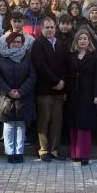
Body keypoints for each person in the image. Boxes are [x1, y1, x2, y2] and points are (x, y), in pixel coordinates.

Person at [0, 32, 36, 163]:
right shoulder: (1, 57)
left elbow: (32, 75)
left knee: (20, 125)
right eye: (14, 42)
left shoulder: (28, 56)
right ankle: (10, 152)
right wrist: (9, 91)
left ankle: (19, 152)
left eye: (19, 42)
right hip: (6, 97)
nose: (16, 44)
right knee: (9, 125)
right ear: (9, 43)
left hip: (23, 96)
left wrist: (21, 91)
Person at [31, 16, 68, 162]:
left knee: (57, 121)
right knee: (44, 120)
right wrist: (56, 81)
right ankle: (43, 150)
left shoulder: (59, 43)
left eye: (52, 27)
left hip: (59, 90)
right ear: (42, 28)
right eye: (47, 27)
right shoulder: (38, 44)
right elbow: (40, 66)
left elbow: (65, 65)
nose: (50, 30)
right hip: (44, 90)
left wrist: (62, 82)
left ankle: (54, 150)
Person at [66, 28, 97, 165]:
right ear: (76, 41)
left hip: (89, 94)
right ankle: (75, 153)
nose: (82, 41)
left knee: (85, 124)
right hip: (73, 94)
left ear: (89, 41)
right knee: (74, 123)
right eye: (80, 39)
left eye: (85, 39)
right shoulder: (71, 54)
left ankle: (84, 154)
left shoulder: (95, 55)